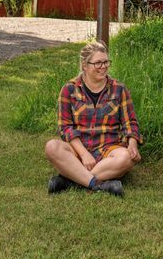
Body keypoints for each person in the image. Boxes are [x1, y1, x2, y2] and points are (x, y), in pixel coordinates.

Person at [45, 40, 142, 197]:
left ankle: (71, 180)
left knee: (126, 158)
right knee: (52, 147)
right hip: (78, 148)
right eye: (97, 63)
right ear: (85, 65)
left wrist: (132, 143)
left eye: (105, 62)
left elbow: (130, 122)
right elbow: (65, 127)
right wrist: (83, 154)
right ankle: (98, 184)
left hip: (109, 149)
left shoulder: (119, 89)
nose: (103, 67)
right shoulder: (69, 89)